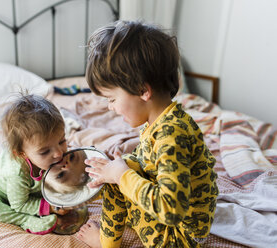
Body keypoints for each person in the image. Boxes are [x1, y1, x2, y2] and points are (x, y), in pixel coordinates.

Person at [76, 20, 218, 248]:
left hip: (180, 237)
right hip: (179, 220)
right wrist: (122, 166)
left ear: (143, 90)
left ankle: (106, 244)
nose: (109, 107)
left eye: (112, 99)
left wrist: (121, 176)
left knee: (117, 181)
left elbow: (171, 211)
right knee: (120, 167)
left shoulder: (172, 136)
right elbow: (151, 163)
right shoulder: (162, 120)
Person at [0, 93, 72, 234]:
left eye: (62, 141)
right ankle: (24, 220)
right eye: (45, 152)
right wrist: (51, 207)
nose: (59, 153)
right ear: (22, 153)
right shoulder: (17, 173)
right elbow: (19, 204)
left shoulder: (54, 154)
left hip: (30, 190)